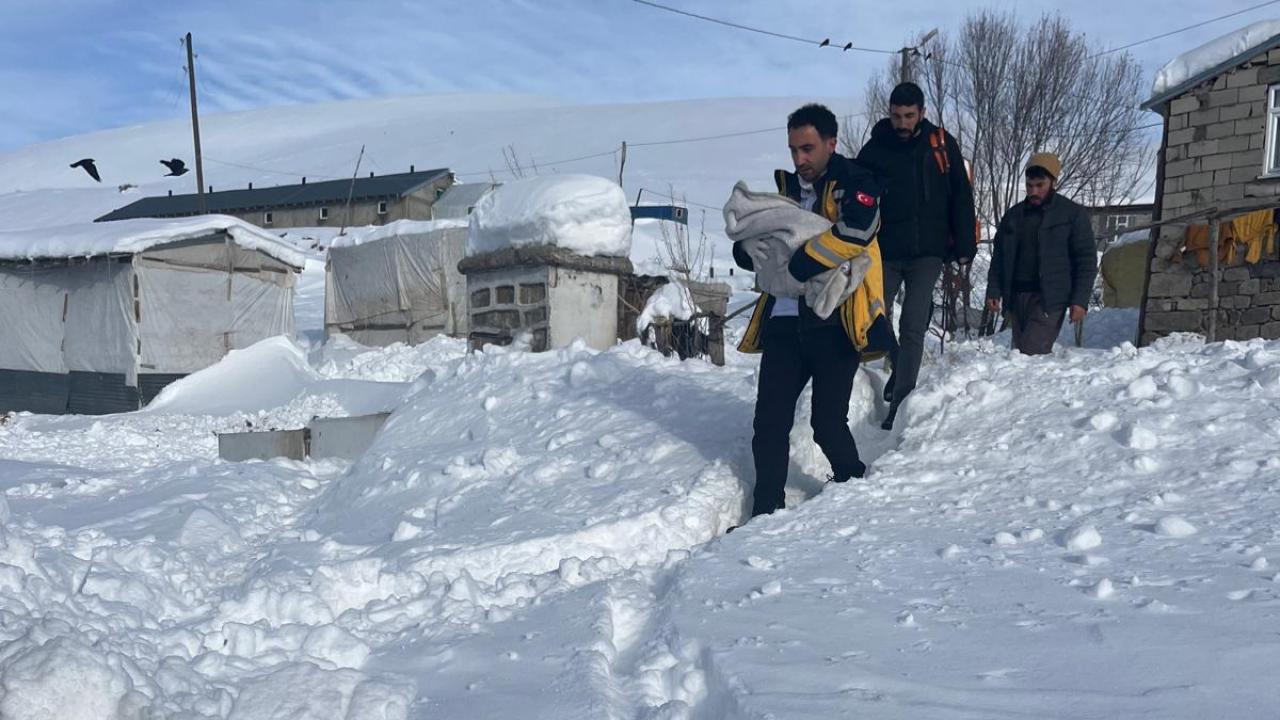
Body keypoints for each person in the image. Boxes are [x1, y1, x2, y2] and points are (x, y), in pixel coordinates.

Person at [732, 103, 896, 519]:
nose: (799, 159)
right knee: (768, 424)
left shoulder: (856, 180)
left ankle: (853, 486)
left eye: (807, 148)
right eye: (793, 149)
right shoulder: (783, 190)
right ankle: (765, 512)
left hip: (835, 324)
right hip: (784, 322)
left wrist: (805, 259)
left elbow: (859, 230)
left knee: (826, 424)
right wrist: (750, 251)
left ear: (831, 143)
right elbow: (762, 236)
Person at [856, 82, 976, 429]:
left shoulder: (940, 145)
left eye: (909, 116)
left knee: (913, 325)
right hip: (886, 251)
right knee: (872, 317)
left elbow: (960, 196)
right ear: (889, 113)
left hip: (928, 253)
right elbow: (855, 190)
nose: (903, 123)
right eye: (897, 116)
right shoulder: (876, 147)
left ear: (921, 113)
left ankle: (901, 401)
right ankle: (894, 364)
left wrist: (964, 247)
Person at [985, 153, 1097, 355]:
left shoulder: (1072, 214)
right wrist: (994, 290)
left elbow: (1086, 260)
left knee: (1030, 352)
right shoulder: (1013, 216)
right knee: (1019, 355)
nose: (1034, 191)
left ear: (1053, 182)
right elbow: (1000, 256)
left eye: (1040, 185)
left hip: (1051, 297)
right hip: (1017, 295)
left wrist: (1079, 300)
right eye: (1029, 185)